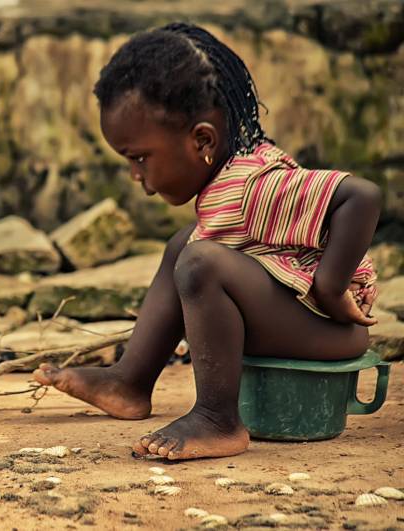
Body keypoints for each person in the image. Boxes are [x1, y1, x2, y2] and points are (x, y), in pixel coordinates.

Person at [33, 22, 381, 461]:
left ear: (202, 140)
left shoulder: (251, 186)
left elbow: (362, 196)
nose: (136, 177)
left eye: (139, 158)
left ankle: (218, 420)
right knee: (184, 245)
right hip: (301, 317)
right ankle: (130, 381)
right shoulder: (225, 184)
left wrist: (331, 289)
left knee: (200, 263)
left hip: (333, 329)